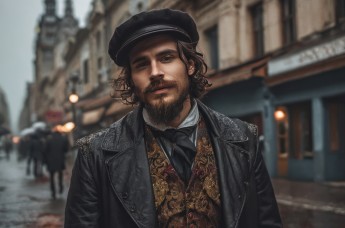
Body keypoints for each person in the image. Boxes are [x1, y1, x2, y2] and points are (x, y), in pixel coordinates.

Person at [65, 8, 282, 228]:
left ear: (189, 64)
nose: (155, 72)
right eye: (141, 64)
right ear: (131, 80)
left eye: (166, 58)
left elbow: (267, 221)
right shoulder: (94, 155)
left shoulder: (244, 139)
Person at [43, 128, 69, 199]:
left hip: (50, 161)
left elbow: (45, 151)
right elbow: (66, 150)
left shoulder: (48, 140)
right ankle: (60, 187)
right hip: (60, 160)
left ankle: (53, 191)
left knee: (51, 176)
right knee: (60, 174)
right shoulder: (63, 139)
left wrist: (45, 161)